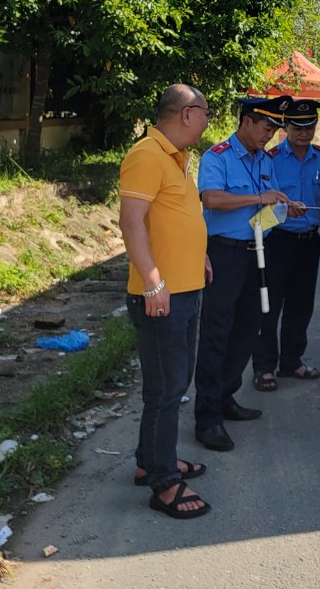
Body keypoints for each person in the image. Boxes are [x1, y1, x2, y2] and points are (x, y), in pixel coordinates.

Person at [118, 83, 213, 519]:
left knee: (171, 385)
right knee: (167, 390)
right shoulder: (146, 155)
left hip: (186, 288)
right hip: (161, 297)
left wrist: (202, 254)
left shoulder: (177, 159)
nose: (209, 121)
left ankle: (150, 459)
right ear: (187, 114)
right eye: (206, 112)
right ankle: (163, 482)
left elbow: (177, 217)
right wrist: (154, 282)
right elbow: (132, 223)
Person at [193, 94, 292, 452]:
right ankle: (206, 418)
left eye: (274, 129)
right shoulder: (216, 156)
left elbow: (266, 202)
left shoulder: (264, 160)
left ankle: (225, 396)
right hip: (225, 254)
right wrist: (258, 199)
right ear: (246, 121)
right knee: (217, 333)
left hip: (258, 253)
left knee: (249, 330)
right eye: (267, 127)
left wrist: (281, 205)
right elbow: (212, 200)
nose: (270, 134)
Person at [251, 99, 320, 391]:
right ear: (285, 127)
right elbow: (259, 207)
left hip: (308, 242)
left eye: (309, 127)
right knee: (269, 307)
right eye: (297, 127)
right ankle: (264, 367)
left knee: (301, 305)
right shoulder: (269, 158)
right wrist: (285, 210)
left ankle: (291, 361)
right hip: (278, 242)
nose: (304, 133)